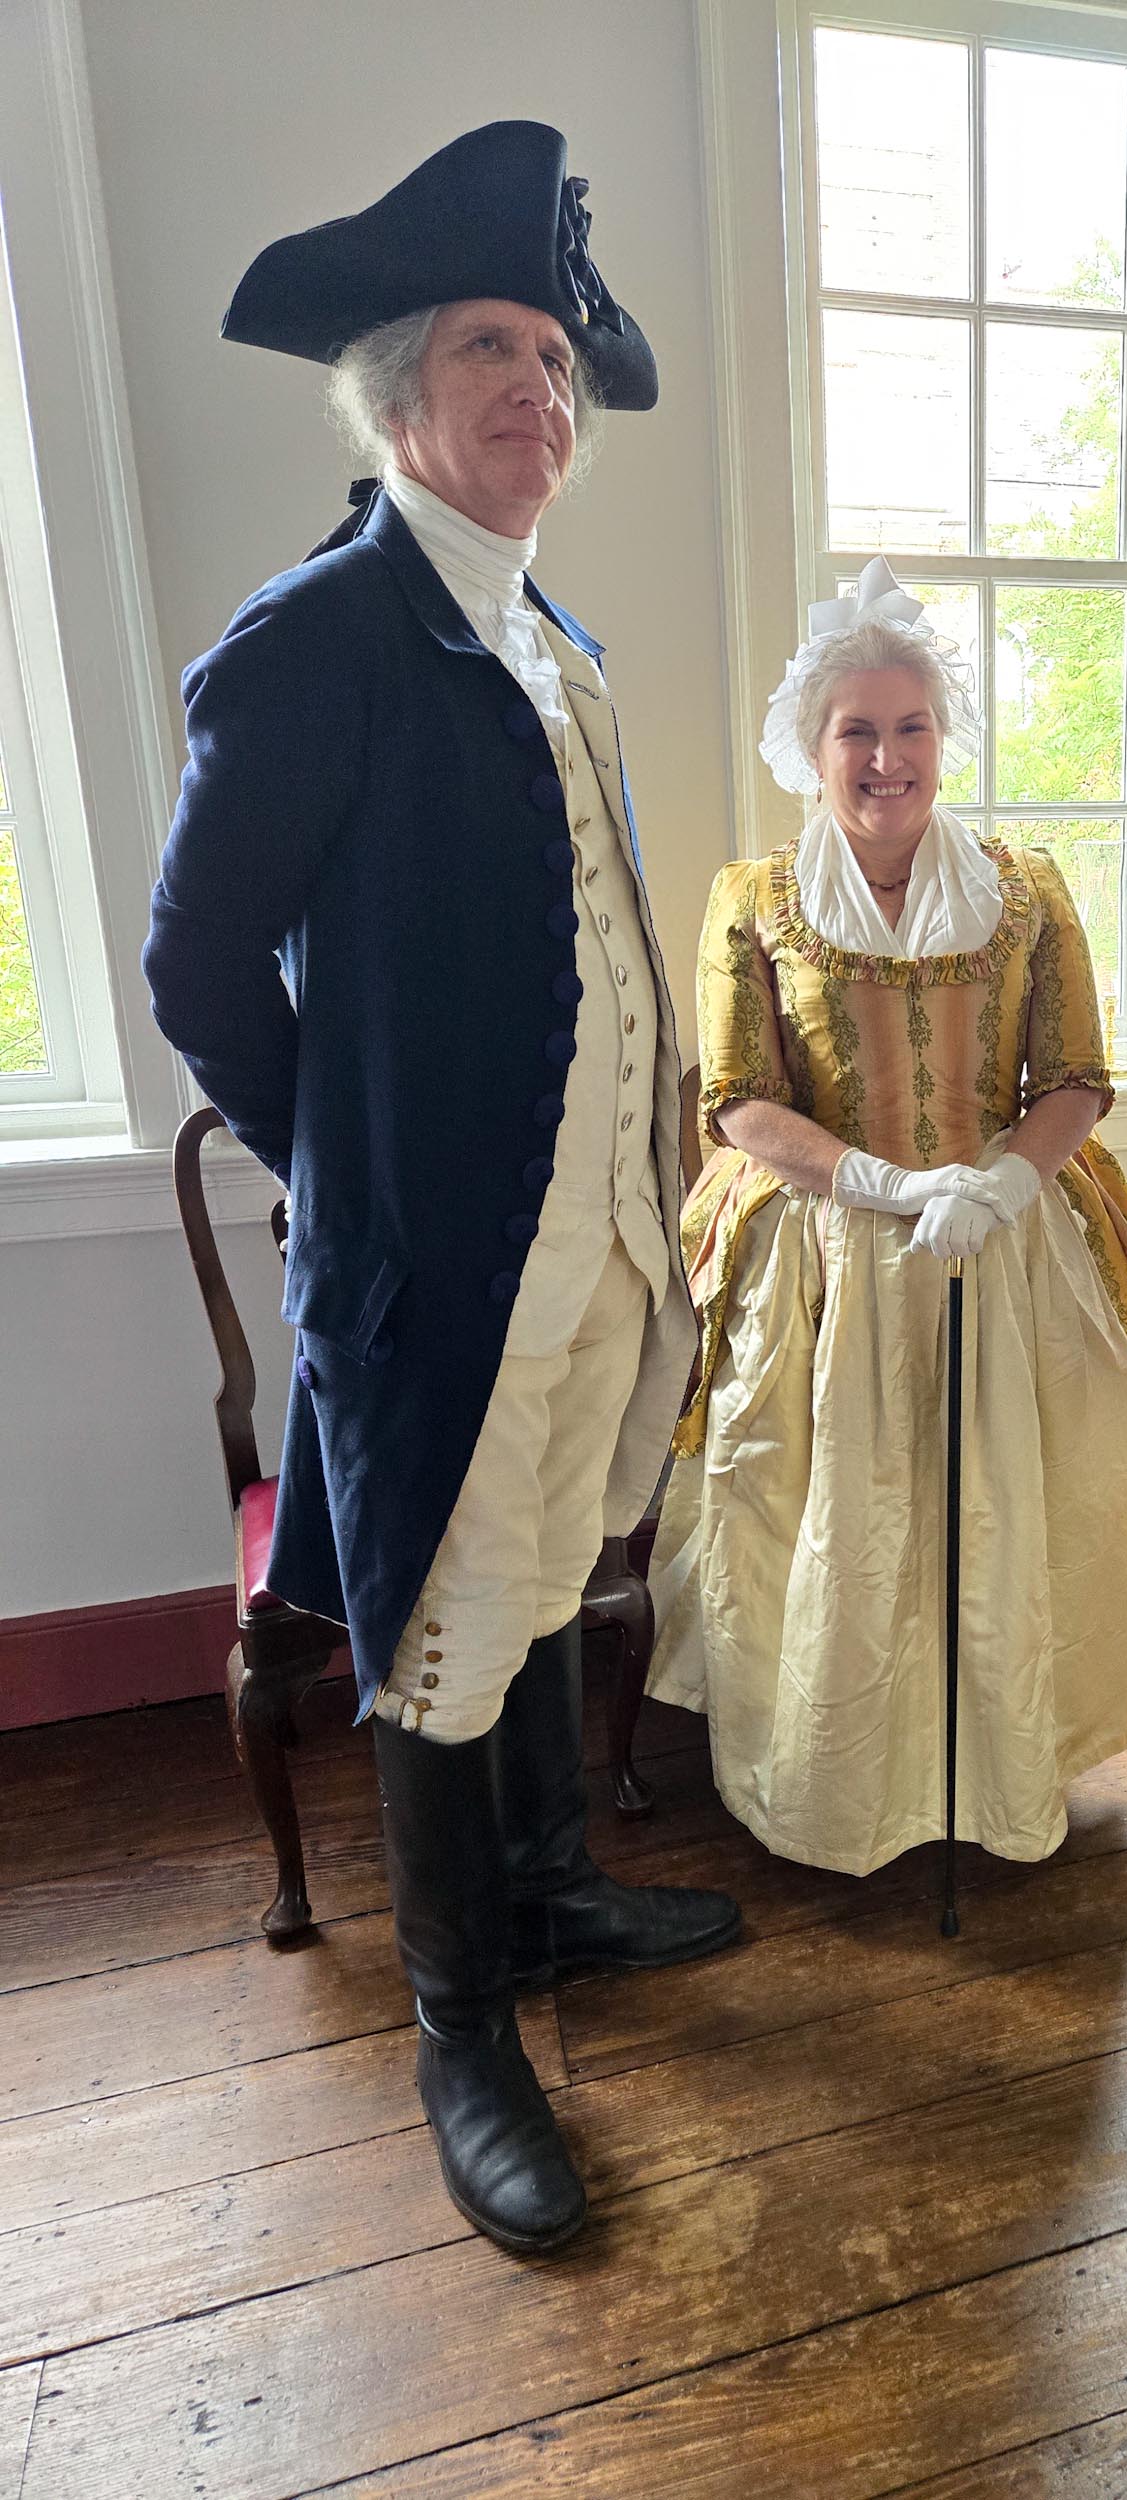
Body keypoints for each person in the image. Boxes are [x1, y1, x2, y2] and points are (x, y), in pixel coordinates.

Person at [142, 123, 739, 2255]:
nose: (538, 389)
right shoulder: (316, 639)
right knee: (438, 1639)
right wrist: (347, 1168)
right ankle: (459, 2023)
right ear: (398, 393)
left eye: (557, 361)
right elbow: (198, 967)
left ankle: (553, 1887)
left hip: (593, 1242)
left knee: (550, 1571)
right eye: (494, 347)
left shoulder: (551, 637)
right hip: (440, 1272)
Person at [647, 561, 1127, 1878]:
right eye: (858, 732)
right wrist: (882, 1186)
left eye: (912, 726)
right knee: (840, 1513)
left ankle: (995, 1769)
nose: (888, 759)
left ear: (947, 735)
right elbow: (739, 1102)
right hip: (827, 1252)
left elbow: (1077, 1077)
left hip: (1004, 1241)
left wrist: (1002, 1181)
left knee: (998, 1506)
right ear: (812, 746)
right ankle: (837, 1780)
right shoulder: (754, 900)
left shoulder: (1028, 889)